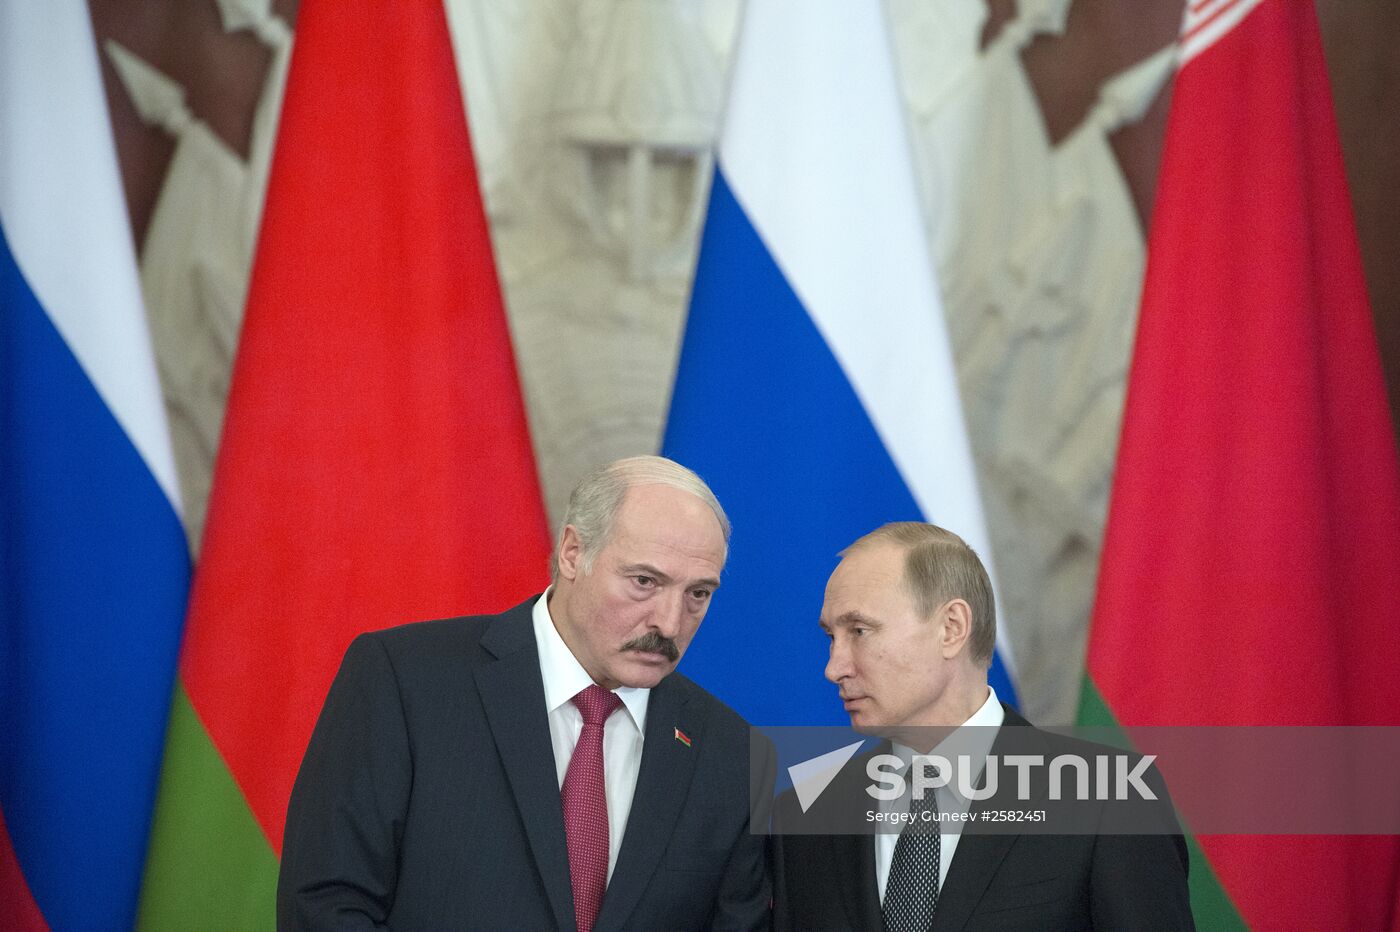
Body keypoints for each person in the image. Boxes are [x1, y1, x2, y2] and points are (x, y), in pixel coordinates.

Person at [278, 456, 771, 931]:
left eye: (698, 594)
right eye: (644, 581)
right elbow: (326, 905)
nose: (669, 622)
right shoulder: (405, 680)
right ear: (574, 553)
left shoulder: (735, 753)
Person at [771, 522, 1194, 931]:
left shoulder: (1108, 800)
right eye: (831, 636)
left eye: (860, 631)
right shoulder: (803, 817)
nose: (834, 667)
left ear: (952, 628)